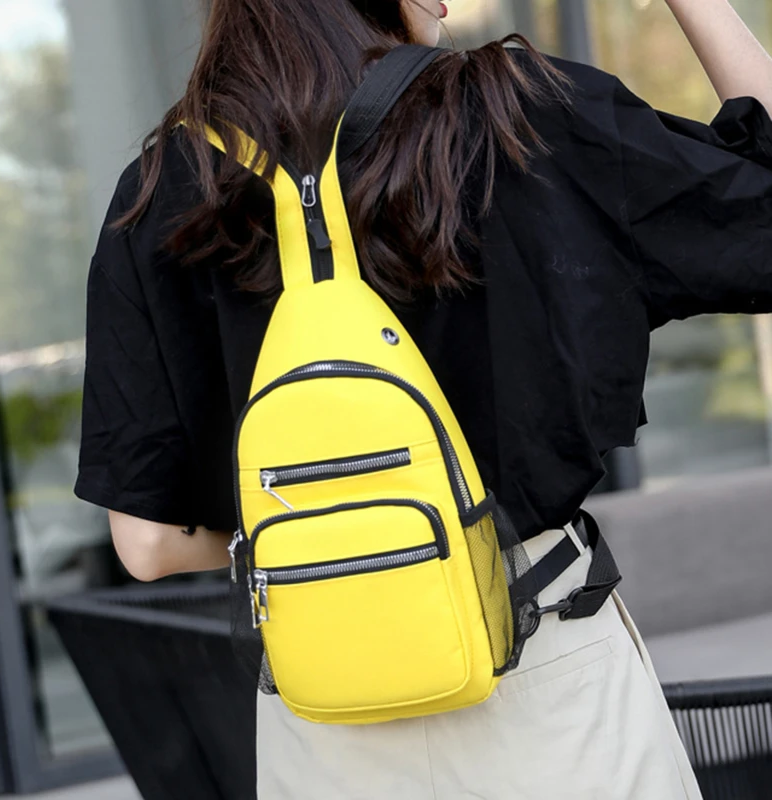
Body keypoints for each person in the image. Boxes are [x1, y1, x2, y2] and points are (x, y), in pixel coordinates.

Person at [73, 0, 772, 797]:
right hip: (545, 688)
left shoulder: (163, 190)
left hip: (324, 719)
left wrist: (335, 530)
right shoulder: (515, 116)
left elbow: (149, 547)